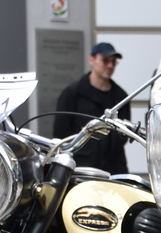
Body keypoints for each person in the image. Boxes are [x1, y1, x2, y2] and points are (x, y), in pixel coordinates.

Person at [51, 42, 131, 173]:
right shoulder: (73, 93)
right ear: (92, 60)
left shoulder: (121, 97)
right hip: (81, 169)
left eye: (113, 62)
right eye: (105, 61)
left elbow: (124, 135)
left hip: (114, 170)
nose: (110, 66)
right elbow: (60, 133)